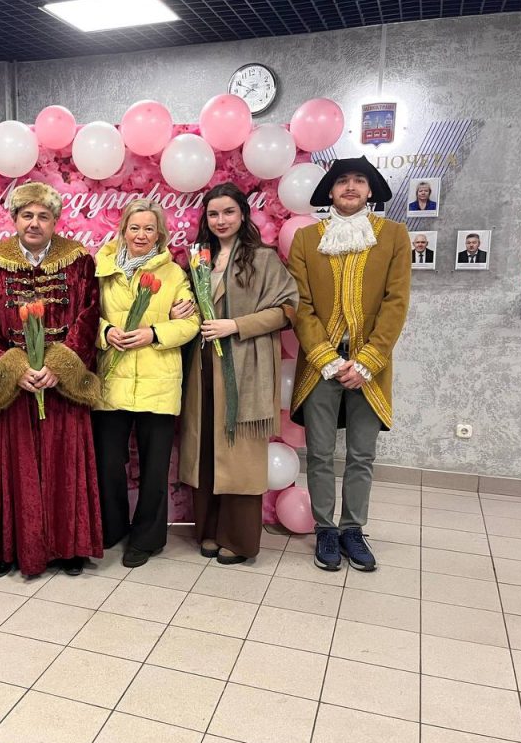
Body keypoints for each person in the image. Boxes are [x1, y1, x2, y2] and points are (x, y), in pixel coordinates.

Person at [0, 182, 103, 578]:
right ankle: (10, 550)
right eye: (26, 215)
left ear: (55, 221)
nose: (34, 223)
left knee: (65, 465)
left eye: (43, 216)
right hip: (16, 386)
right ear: (14, 219)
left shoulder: (78, 260)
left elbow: (88, 316)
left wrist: (59, 365)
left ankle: (69, 548)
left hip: (61, 385)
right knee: (16, 468)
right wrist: (16, 368)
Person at [287, 156, 410, 573]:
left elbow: (396, 303)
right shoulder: (306, 239)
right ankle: (325, 529)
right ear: (331, 190)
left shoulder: (394, 236)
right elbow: (300, 305)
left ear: (370, 189)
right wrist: (326, 357)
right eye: (342, 181)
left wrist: (369, 360)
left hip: (370, 365)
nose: (351, 187)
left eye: (359, 180)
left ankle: (353, 529)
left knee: (361, 455)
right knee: (320, 453)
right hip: (319, 364)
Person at [176, 183, 298, 565]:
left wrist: (236, 325)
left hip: (245, 366)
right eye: (213, 214)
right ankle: (209, 531)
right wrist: (180, 310)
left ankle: (239, 538)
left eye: (228, 212)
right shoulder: (199, 259)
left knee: (239, 451)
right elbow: (189, 306)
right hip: (202, 367)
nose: (221, 220)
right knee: (206, 447)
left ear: (243, 214)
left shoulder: (262, 259)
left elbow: (287, 309)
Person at [93, 199, 199, 568]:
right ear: (123, 230)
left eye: (149, 229)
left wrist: (154, 333)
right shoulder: (101, 269)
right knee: (108, 463)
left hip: (159, 382)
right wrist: (106, 332)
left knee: (155, 469)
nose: (141, 235)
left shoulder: (174, 274)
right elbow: (85, 316)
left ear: (160, 234)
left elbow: (190, 323)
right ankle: (111, 527)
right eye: (135, 227)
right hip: (112, 382)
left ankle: (147, 538)